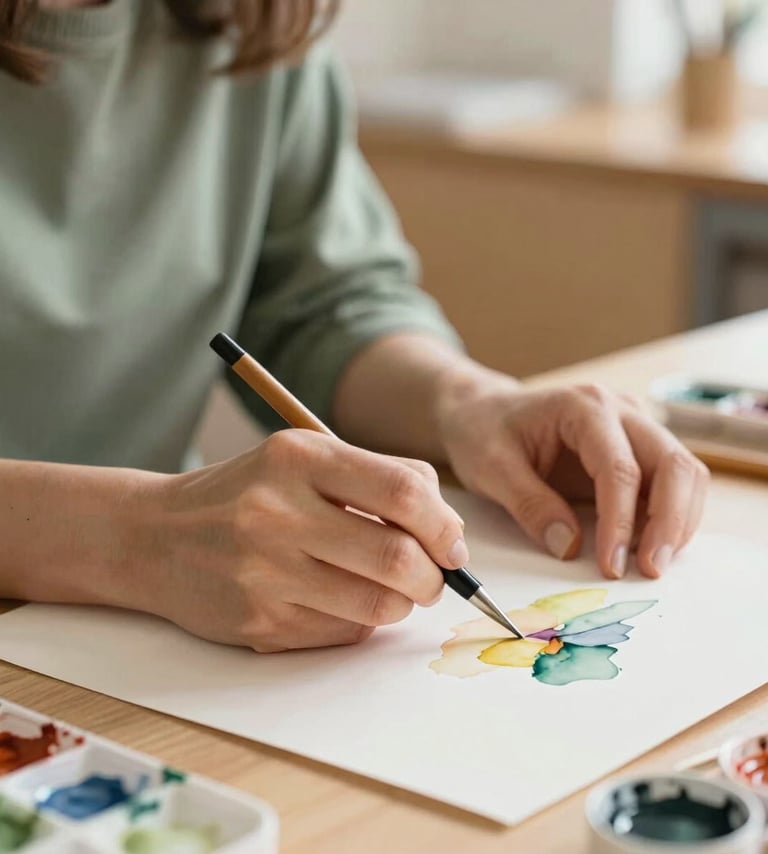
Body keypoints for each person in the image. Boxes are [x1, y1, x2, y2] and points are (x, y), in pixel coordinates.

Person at [0, 0, 709, 653]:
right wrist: (138, 538)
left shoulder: (252, 16)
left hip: (147, 648)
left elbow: (321, 300)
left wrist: (468, 404)